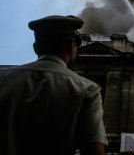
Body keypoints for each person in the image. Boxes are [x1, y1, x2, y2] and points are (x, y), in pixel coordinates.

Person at [0, 15, 108, 155]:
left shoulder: (3, 79)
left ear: (36, 48)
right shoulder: (85, 89)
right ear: (71, 46)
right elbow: (92, 151)